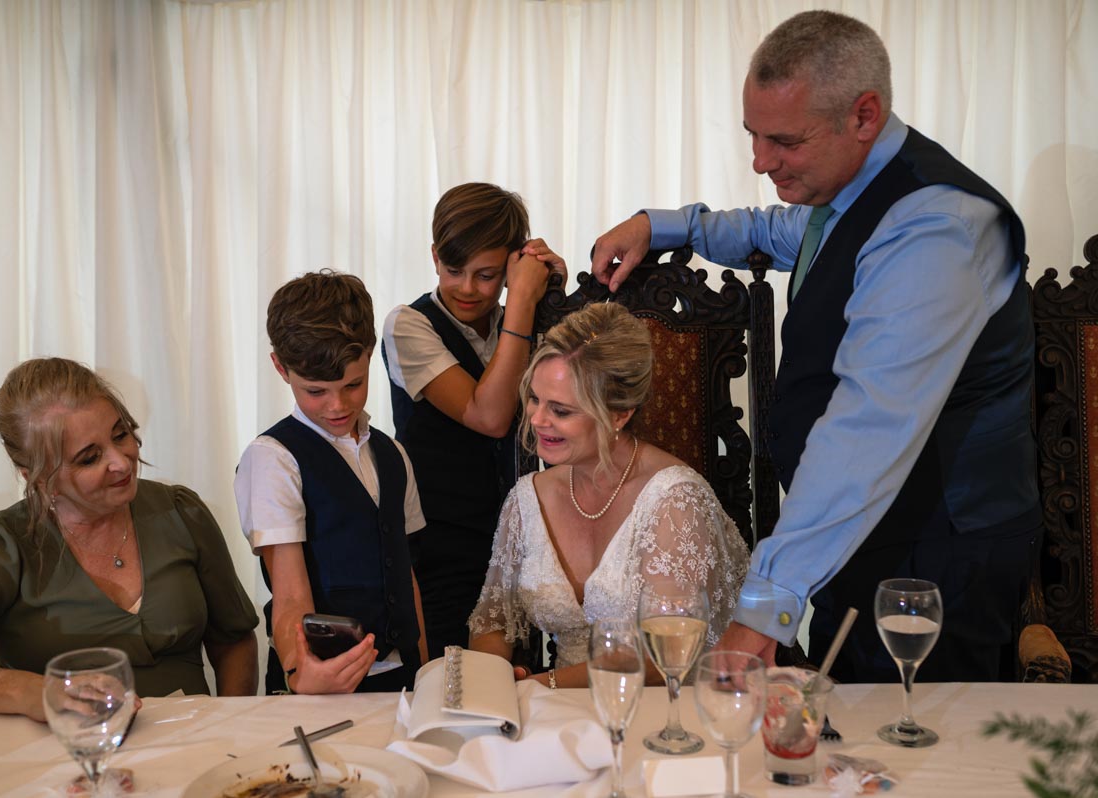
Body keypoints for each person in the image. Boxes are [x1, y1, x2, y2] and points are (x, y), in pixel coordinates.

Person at [590, 10, 1040, 683]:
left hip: (935, 557)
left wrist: (763, 606)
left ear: (864, 115)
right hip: (858, 538)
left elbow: (868, 430)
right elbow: (786, 230)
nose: (760, 161)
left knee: (918, 758)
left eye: (784, 141)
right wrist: (662, 224)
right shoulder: (854, 190)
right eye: (752, 134)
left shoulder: (939, 227)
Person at [0, 358, 259, 720]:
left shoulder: (181, 512)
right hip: (65, 757)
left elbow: (232, 640)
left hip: (193, 749)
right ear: (37, 478)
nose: (122, 461)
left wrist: (229, 726)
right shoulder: (1, 545)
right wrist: (36, 692)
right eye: (89, 458)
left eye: (121, 435)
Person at [468, 302, 750, 687]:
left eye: (561, 410)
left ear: (620, 414)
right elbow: (493, 619)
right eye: (534, 399)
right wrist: (496, 679)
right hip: (553, 717)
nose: (536, 420)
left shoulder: (675, 503)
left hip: (662, 711)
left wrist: (543, 685)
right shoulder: (528, 498)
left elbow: (663, 654)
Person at [382, 182, 565, 659]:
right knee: (458, 690)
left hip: (527, 546)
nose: (466, 288)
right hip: (441, 552)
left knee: (524, 693)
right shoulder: (408, 325)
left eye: (486, 275)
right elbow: (490, 416)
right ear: (434, 255)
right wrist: (523, 302)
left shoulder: (522, 324)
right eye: (452, 269)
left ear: (510, 266)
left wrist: (553, 299)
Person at [235, 270, 428, 694]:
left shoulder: (393, 454)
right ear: (280, 368)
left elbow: (406, 575)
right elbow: (288, 595)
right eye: (316, 391)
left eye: (353, 385)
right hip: (323, 682)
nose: (338, 405)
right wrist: (300, 671)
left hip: (403, 679)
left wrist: (424, 669)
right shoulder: (273, 459)